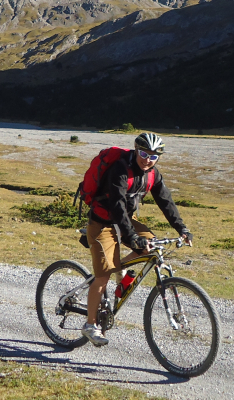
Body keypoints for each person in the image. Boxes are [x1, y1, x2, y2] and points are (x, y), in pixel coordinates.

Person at [82, 132, 192, 346]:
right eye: (143, 153)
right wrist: (131, 237)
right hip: (102, 221)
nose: (147, 159)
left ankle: (122, 277)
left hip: (125, 221)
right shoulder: (120, 169)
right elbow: (117, 205)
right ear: (136, 150)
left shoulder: (152, 174)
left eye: (153, 156)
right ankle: (90, 325)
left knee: (152, 247)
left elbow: (165, 201)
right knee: (103, 276)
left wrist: (182, 229)